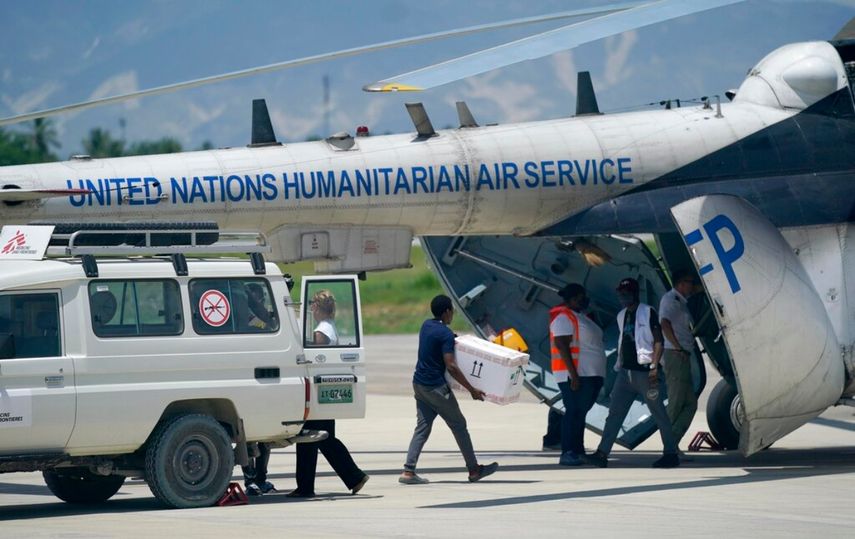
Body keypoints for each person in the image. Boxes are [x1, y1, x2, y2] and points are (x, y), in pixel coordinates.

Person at [399, 295, 499, 485]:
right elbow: (451, 366)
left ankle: (408, 471)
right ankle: (474, 469)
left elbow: (444, 339)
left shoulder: (426, 325)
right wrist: (472, 389)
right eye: (452, 310)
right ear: (446, 312)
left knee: (422, 427)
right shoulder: (444, 334)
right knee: (459, 425)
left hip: (419, 385)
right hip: (435, 388)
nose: (452, 313)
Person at [585, 278, 679, 468]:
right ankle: (602, 453)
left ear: (635, 293)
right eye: (620, 294)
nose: (622, 297)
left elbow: (659, 340)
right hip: (625, 373)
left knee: (659, 413)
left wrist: (654, 367)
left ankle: (671, 453)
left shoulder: (647, 311)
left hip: (645, 373)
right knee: (614, 413)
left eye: (626, 293)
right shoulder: (621, 316)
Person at [288, 289, 369, 497]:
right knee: (317, 438)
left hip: (317, 392)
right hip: (324, 392)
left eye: (312, 305)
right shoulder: (328, 327)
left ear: (316, 307)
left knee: (313, 437)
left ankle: (352, 476)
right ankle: (313, 485)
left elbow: (315, 361)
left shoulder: (320, 332)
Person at [550, 283, 607, 466]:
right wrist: (573, 375)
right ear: (573, 298)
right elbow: (562, 345)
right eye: (581, 296)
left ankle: (578, 449)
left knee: (580, 413)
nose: (584, 300)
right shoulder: (563, 318)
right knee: (573, 412)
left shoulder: (581, 317)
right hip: (576, 375)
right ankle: (568, 451)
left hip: (591, 374)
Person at [659, 269, 699, 448]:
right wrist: (677, 347)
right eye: (690, 282)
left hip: (683, 354)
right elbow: (664, 323)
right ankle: (668, 445)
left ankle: (672, 442)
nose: (692, 286)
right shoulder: (671, 300)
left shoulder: (681, 301)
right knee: (676, 402)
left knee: (690, 404)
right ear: (681, 284)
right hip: (675, 355)